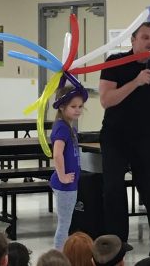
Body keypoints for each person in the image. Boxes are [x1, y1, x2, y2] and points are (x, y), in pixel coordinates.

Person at [99, 22, 150, 255]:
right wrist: (135, 82)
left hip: (145, 137)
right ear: (133, 41)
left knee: (148, 189)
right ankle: (117, 242)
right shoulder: (115, 63)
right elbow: (106, 100)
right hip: (115, 136)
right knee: (114, 188)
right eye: (145, 37)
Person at [50, 79, 88, 250]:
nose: (78, 110)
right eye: (73, 107)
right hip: (65, 185)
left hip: (70, 183)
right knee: (64, 224)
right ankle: (59, 257)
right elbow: (57, 154)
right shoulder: (62, 128)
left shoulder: (70, 128)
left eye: (80, 106)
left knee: (67, 223)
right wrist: (63, 176)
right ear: (62, 107)